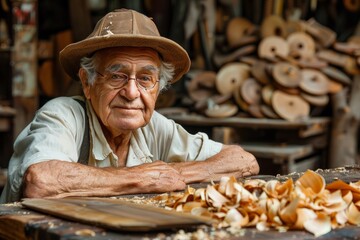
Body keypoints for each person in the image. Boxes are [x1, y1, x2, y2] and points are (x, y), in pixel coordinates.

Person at [0, 9, 259, 203]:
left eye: (146, 79)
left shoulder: (154, 126)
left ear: (158, 87)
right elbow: (41, 181)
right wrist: (142, 177)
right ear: (87, 83)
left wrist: (174, 172)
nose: (132, 92)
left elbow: (243, 160)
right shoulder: (63, 115)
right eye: (116, 75)